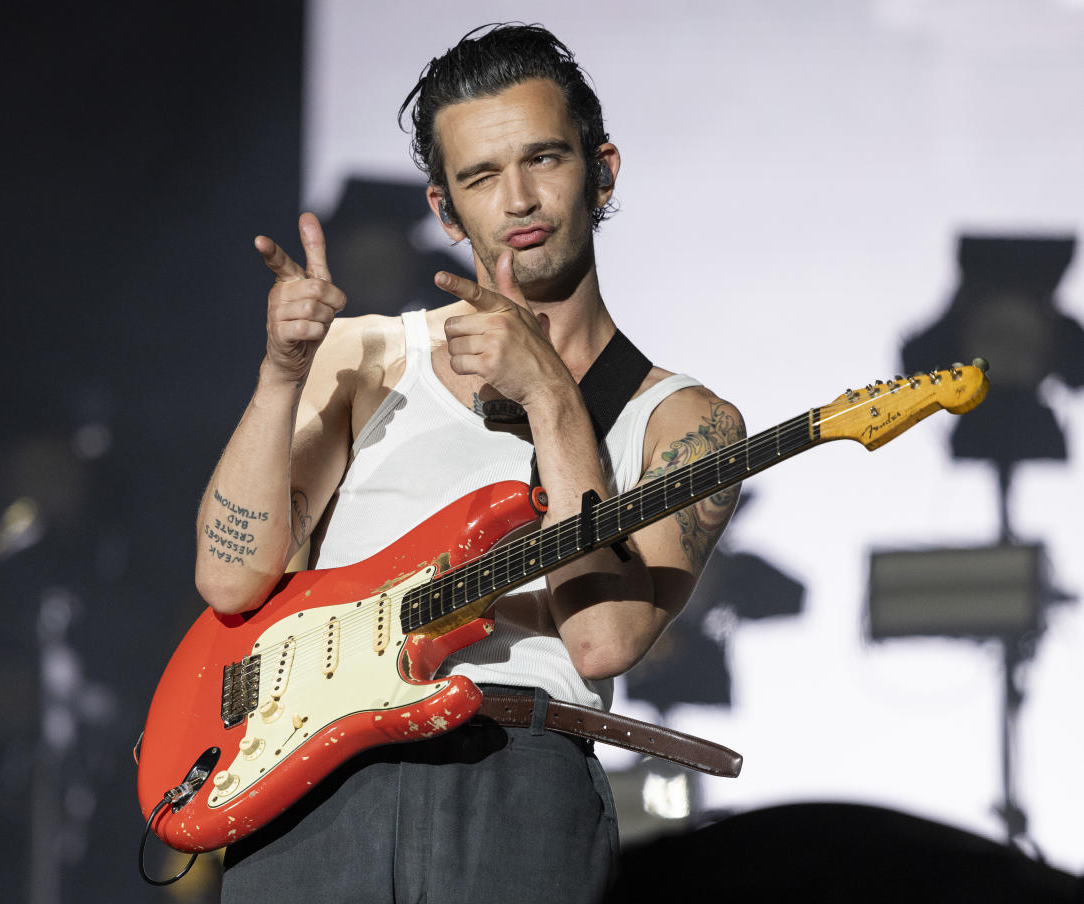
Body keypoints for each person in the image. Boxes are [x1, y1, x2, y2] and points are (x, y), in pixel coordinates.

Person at [194, 23, 744, 903]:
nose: (518, 199)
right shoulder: (368, 357)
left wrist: (554, 400)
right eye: (482, 177)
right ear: (445, 211)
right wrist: (280, 376)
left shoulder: (686, 421)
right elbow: (229, 579)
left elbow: (603, 641)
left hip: (516, 778)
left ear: (602, 169)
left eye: (545, 160)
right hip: (314, 781)